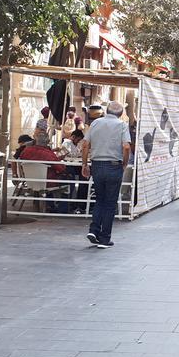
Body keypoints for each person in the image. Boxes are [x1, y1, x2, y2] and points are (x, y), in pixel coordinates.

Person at [81, 101, 131, 248]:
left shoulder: (95, 123)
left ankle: (94, 229)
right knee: (110, 203)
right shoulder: (122, 125)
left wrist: (85, 164)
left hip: (97, 165)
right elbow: (126, 146)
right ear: (121, 114)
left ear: (106, 111)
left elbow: (85, 144)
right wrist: (124, 163)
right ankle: (104, 238)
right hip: (114, 166)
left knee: (100, 200)